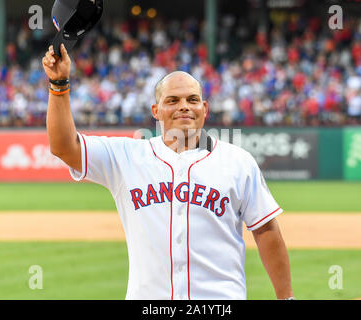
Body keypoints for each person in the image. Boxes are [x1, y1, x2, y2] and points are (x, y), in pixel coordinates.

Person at [42, 43, 294, 300]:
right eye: (172, 100)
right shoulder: (126, 157)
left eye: (192, 100)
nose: (184, 106)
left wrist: (286, 298)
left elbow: (266, 230)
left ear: (204, 109)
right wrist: (59, 84)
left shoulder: (238, 162)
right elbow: (63, 147)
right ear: (156, 111)